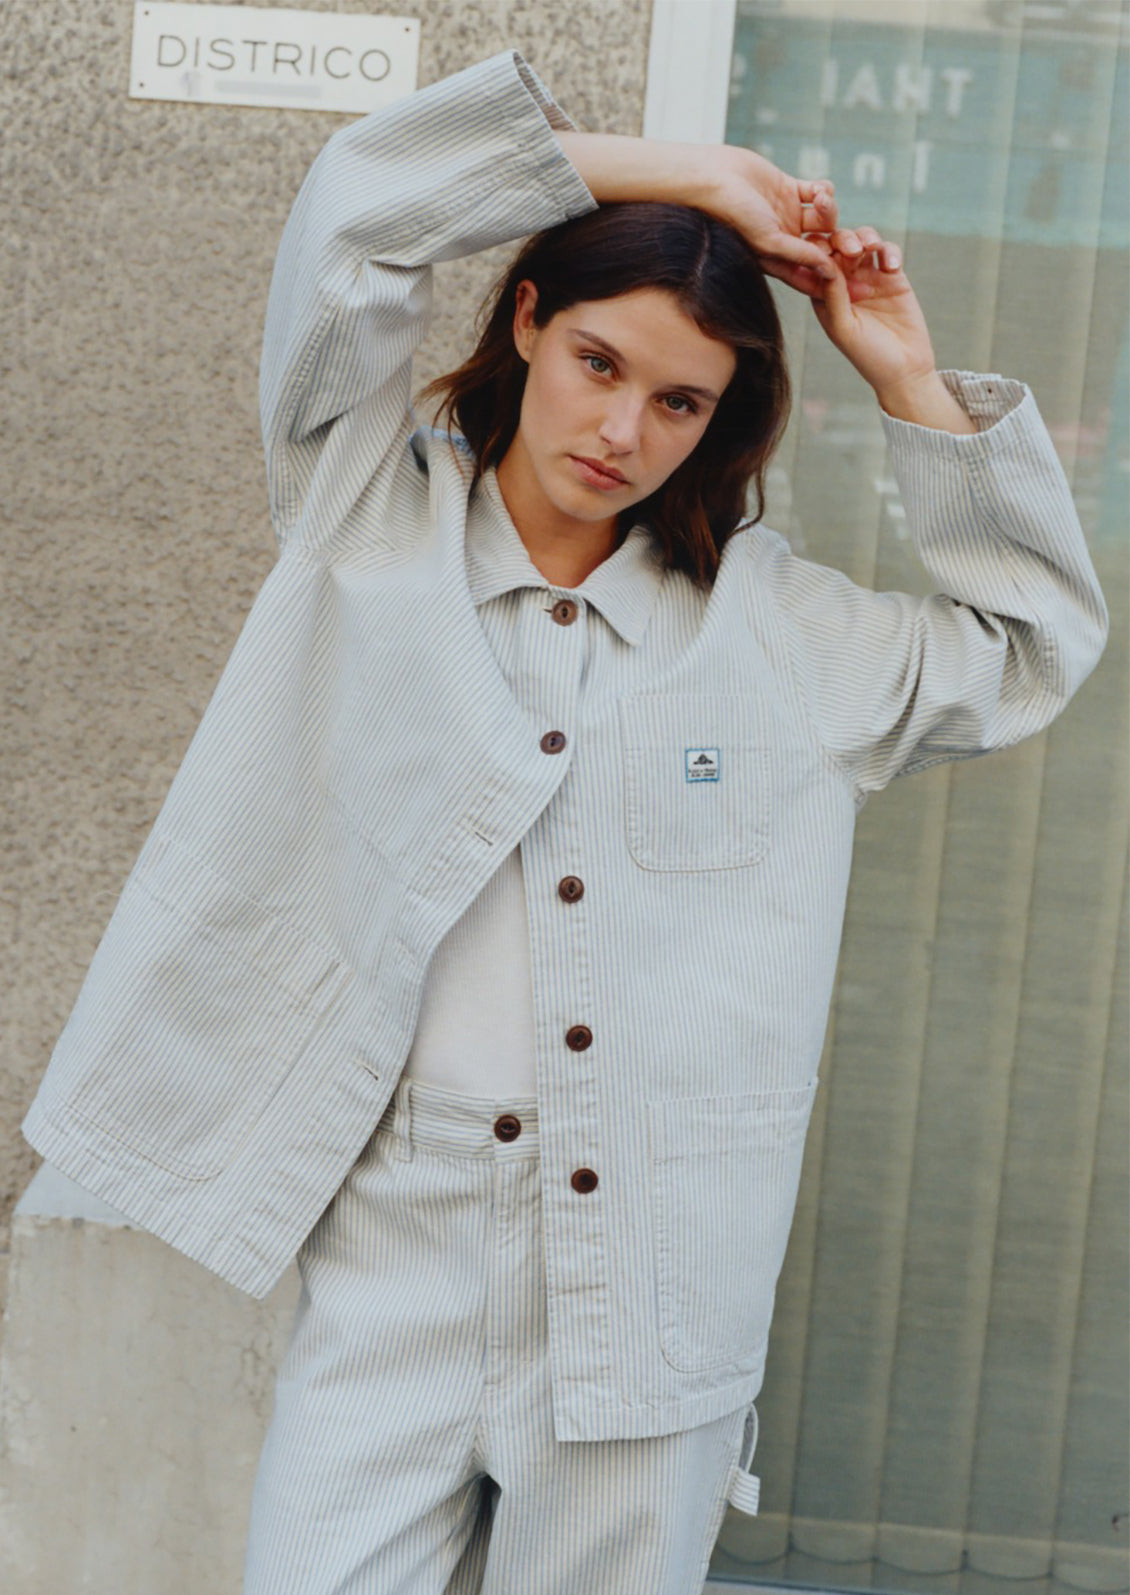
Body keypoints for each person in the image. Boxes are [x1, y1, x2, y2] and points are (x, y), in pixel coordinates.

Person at [22, 50, 1107, 1595]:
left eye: (679, 400)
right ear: (526, 324)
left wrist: (907, 383)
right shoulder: (361, 516)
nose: (623, 429)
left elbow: (1025, 647)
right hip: (399, 1228)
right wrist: (693, 176)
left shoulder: (777, 633)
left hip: (657, 1269)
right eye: (598, 362)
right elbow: (359, 211)